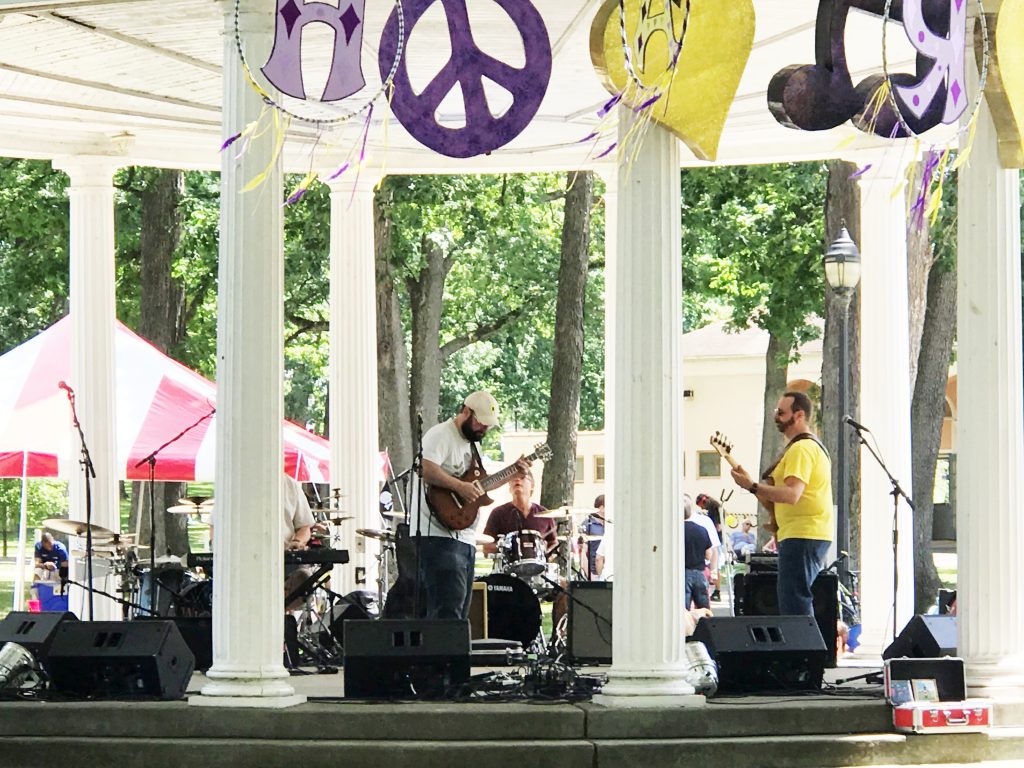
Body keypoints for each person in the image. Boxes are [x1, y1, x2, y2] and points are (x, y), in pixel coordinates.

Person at [412, 390, 530, 620]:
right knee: (447, 609)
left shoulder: (473, 446)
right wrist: (459, 487)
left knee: (460, 609)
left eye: (487, 426)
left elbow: (478, 489)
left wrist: (511, 473)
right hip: (437, 535)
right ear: (466, 412)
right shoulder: (441, 435)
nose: (483, 429)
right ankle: (442, 655)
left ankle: (453, 653)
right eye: (480, 423)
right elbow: (425, 468)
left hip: (463, 537)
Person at [729, 390, 833, 616]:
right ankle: (802, 648)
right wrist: (750, 485)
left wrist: (753, 486)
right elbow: (779, 502)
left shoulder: (801, 449)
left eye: (781, 412)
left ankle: (802, 650)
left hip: (802, 534)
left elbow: (792, 494)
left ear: (799, 416)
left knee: (794, 602)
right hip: (803, 533)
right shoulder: (806, 448)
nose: (776, 416)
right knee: (793, 599)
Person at [483, 471, 556, 556]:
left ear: (532, 486)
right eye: (513, 478)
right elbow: (486, 548)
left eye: (522, 477)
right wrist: (508, 547)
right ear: (509, 487)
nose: (517, 480)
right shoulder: (498, 513)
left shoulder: (545, 514)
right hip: (507, 567)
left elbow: (553, 542)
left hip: (538, 567)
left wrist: (547, 552)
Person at [686, 493, 720, 600]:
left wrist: (713, 570)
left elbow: (712, 550)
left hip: (699, 566)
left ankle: (717, 590)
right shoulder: (706, 520)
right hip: (701, 567)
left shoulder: (709, 516)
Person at [684, 496, 714, 610]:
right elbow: (708, 555)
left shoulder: (675, 530)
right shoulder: (702, 530)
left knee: (683, 610)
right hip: (699, 573)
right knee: (704, 609)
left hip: (683, 574)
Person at [581, 494, 606, 579]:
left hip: (607, 572)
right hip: (593, 573)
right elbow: (583, 552)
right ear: (602, 508)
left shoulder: (609, 525)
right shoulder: (588, 524)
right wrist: (590, 576)